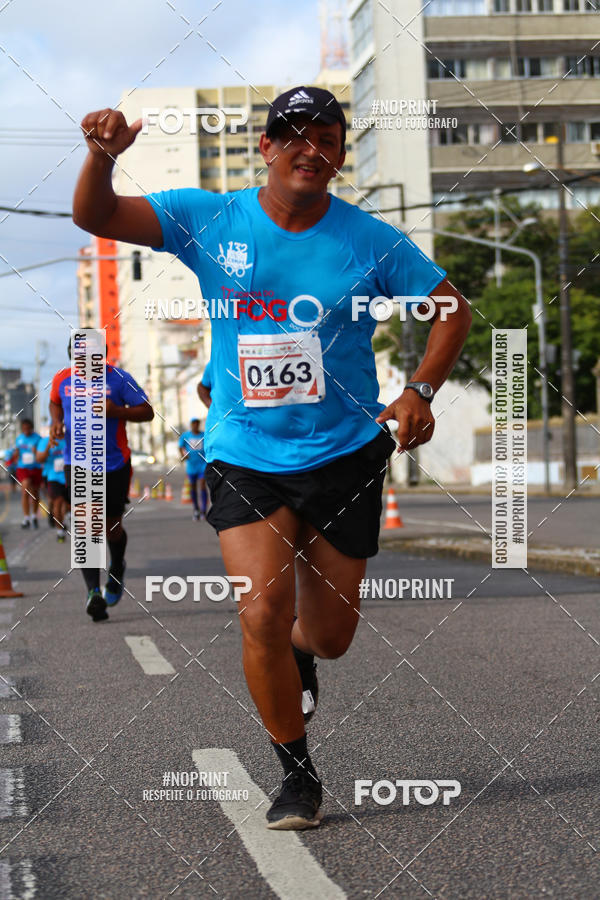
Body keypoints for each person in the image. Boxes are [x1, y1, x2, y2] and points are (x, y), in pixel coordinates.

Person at [72, 86, 471, 828]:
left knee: (328, 635)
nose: (309, 149)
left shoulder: (370, 241)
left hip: (346, 451)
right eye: (292, 136)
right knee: (259, 609)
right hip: (244, 450)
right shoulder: (208, 217)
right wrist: (101, 159)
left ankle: (303, 652)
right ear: (265, 148)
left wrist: (420, 387)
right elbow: (95, 216)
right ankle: (297, 775)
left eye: (326, 137)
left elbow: (453, 308)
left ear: (340, 155)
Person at [49, 340, 154, 621]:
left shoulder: (119, 379)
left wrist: (117, 411)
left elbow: (147, 412)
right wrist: (55, 423)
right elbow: (55, 403)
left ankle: (117, 566)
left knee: (110, 528)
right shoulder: (62, 378)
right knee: (85, 526)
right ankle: (93, 592)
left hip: (114, 463)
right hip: (78, 463)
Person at [36, 435, 68, 541]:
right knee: (57, 502)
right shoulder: (45, 441)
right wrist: (48, 448)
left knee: (67, 504)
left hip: (70, 475)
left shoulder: (71, 438)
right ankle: (59, 531)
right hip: (52, 476)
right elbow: (39, 459)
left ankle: (60, 520)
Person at [12, 419, 42, 529]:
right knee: (25, 491)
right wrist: (15, 454)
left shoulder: (38, 438)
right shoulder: (19, 439)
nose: (26, 431)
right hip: (23, 468)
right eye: (24, 429)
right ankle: (26, 518)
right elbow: (16, 453)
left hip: (36, 468)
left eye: (28, 428)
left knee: (35, 492)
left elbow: (42, 453)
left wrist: (36, 452)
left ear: (31, 428)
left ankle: (34, 515)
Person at [178, 418, 208, 521]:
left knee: (203, 485)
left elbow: (209, 446)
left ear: (199, 424)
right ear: (191, 425)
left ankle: (204, 510)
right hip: (191, 465)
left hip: (203, 464)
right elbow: (180, 446)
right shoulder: (185, 435)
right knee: (193, 487)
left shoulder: (204, 435)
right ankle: (196, 509)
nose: (195, 425)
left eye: (197, 423)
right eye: (193, 423)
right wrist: (183, 455)